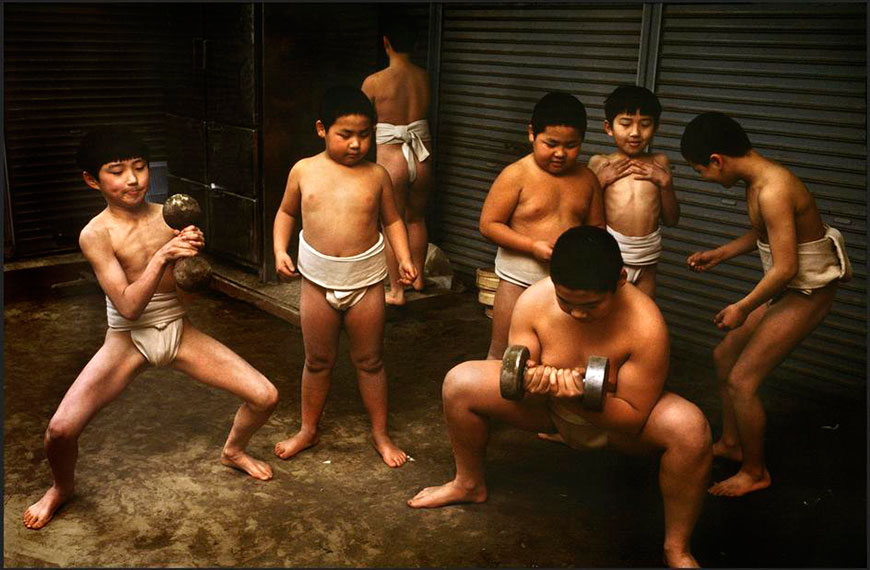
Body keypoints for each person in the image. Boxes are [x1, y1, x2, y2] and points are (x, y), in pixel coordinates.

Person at [408, 226, 712, 568]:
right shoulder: (534, 301)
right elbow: (514, 375)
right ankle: (468, 484)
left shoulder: (646, 325)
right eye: (566, 302)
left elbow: (633, 418)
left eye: (591, 305)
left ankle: (677, 548)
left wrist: (576, 398)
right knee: (459, 382)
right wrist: (532, 382)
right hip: (547, 412)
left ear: (621, 279)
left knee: (690, 429)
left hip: (613, 426)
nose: (578, 313)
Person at [23, 127, 280, 530]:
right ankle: (61, 488)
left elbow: (188, 293)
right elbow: (126, 307)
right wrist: (162, 256)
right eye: (117, 170)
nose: (132, 179)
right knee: (59, 431)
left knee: (265, 396)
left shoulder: (170, 217)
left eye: (140, 168)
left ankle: (233, 451)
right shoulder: (96, 234)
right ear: (93, 180)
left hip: (179, 330)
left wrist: (192, 263)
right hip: (126, 341)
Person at [681, 112, 851, 497]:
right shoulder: (757, 180)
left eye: (701, 172)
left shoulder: (774, 188)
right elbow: (766, 233)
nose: (705, 179)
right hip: (789, 287)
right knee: (725, 355)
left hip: (806, 293)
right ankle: (731, 443)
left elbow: (786, 267)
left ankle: (755, 471)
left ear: (716, 160)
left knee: (743, 381)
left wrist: (742, 306)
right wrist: (720, 253)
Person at [272, 86, 417, 468]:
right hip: (317, 281)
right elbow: (286, 213)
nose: (356, 144)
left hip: (366, 281)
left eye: (365, 134)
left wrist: (403, 258)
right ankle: (307, 429)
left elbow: (394, 221)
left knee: (370, 361)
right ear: (322, 129)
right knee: (317, 360)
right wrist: (279, 249)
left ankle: (381, 434)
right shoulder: (304, 170)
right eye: (345, 135)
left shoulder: (377, 175)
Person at [479, 91, 605, 360]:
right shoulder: (516, 175)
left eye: (571, 145)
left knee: (560, 356)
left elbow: (597, 230)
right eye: (551, 143)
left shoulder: (587, 179)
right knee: (504, 354)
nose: (560, 153)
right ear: (531, 134)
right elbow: (489, 224)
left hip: (567, 286)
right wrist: (532, 246)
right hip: (517, 279)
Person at [362, 10, 431, 305]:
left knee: (391, 223)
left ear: (385, 42)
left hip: (392, 159)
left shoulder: (374, 82)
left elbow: (359, 123)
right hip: (422, 155)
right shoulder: (424, 77)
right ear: (415, 43)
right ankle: (418, 279)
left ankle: (396, 290)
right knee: (416, 218)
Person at [588, 85, 680, 298]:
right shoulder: (600, 163)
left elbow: (671, 219)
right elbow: (583, 215)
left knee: (642, 317)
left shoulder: (660, 162)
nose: (635, 133)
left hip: (647, 260)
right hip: (609, 258)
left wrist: (666, 184)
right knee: (606, 317)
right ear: (608, 127)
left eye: (645, 124)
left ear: (655, 127)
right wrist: (599, 183)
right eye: (626, 124)